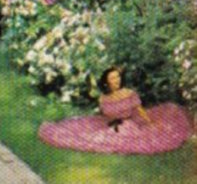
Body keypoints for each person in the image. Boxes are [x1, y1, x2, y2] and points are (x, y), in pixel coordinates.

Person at [38, 66, 193, 154]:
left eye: (118, 77)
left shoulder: (129, 93)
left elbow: (140, 111)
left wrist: (150, 122)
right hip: (111, 125)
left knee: (125, 137)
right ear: (107, 82)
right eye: (112, 78)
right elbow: (106, 115)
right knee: (95, 136)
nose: (116, 81)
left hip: (129, 124)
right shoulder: (103, 99)